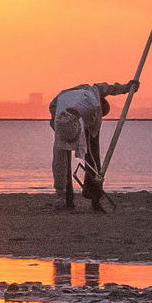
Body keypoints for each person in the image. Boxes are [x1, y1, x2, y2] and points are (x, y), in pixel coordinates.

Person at [49, 80, 138, 212]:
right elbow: (110, 89)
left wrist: (128, 87)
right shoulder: (93, 92)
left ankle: (66, 198)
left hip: (63, 120)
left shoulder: (64, 95)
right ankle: (85, 198)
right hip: (65, 120)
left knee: (63, 160)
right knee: (90, 158)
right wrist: (126, 88)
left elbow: (53, 108)